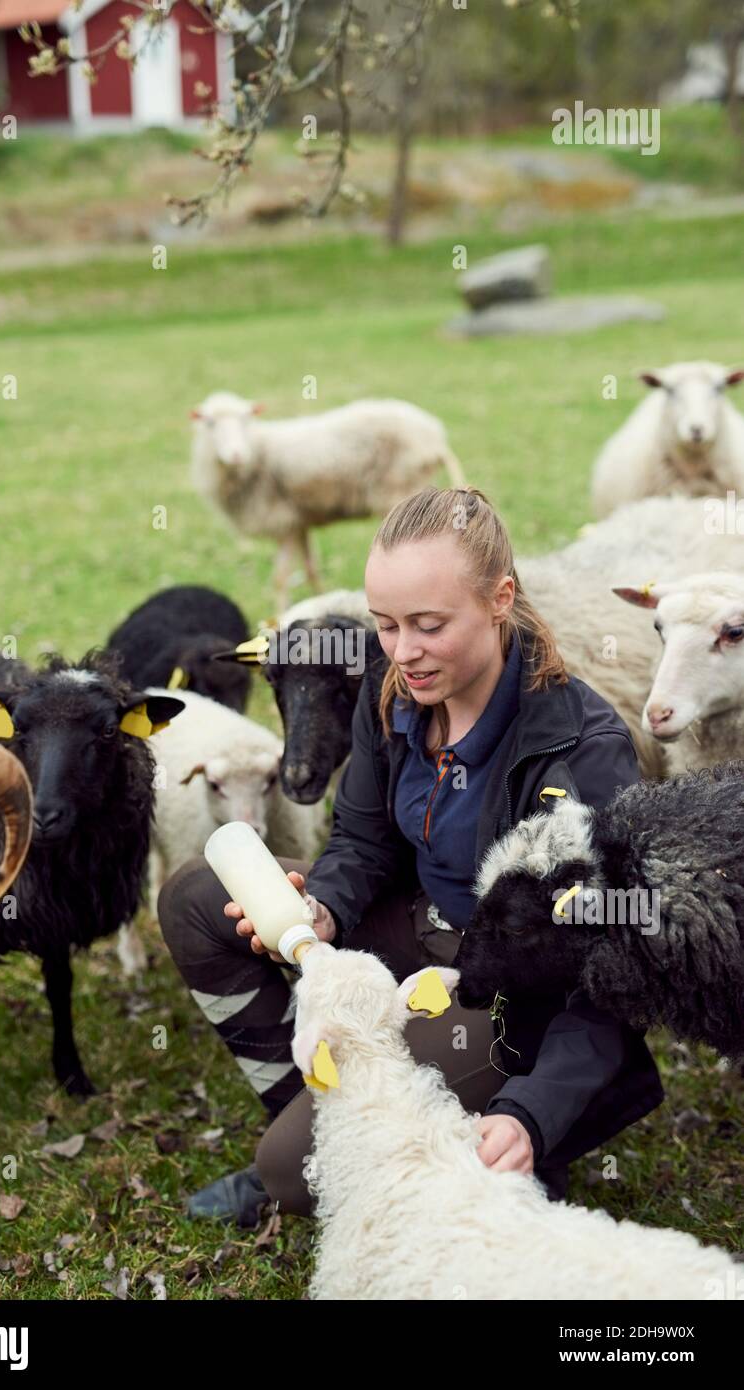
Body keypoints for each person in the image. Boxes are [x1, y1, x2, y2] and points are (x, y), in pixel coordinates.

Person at [158, 486, 664, 1227]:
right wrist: (320, 906)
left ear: (500, 599)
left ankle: (485, 1139)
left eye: (428, 625)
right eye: (386, 625)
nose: (402, 651)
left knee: (286, 1178)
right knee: (197, 899)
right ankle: (325, 1122)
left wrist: (530, 1113)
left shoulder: (579, 750)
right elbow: (361, 839)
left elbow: (610, 968)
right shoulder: (392, 691)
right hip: (413, 932)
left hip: (507, 993)